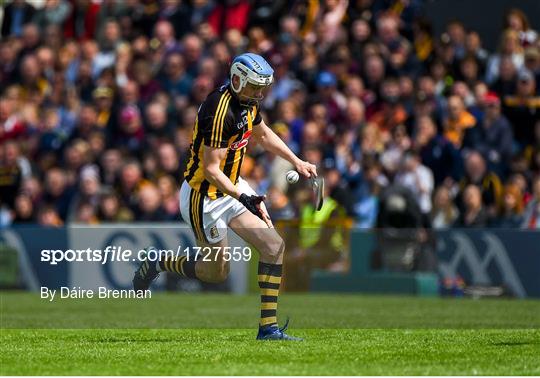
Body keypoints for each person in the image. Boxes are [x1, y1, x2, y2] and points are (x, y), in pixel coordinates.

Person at [132, 53, 317, 340]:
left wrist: (297, 161)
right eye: (255, 87)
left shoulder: (248, 102)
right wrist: (245, 198)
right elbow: (210, 170)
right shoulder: (220, 111)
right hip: (204, 197)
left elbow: (264, 134)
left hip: (231, 186)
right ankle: (159, 262)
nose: (260, 94)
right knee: (216, 272)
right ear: (237, 80)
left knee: (273, 246)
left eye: (262, 88)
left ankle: (268, 329)